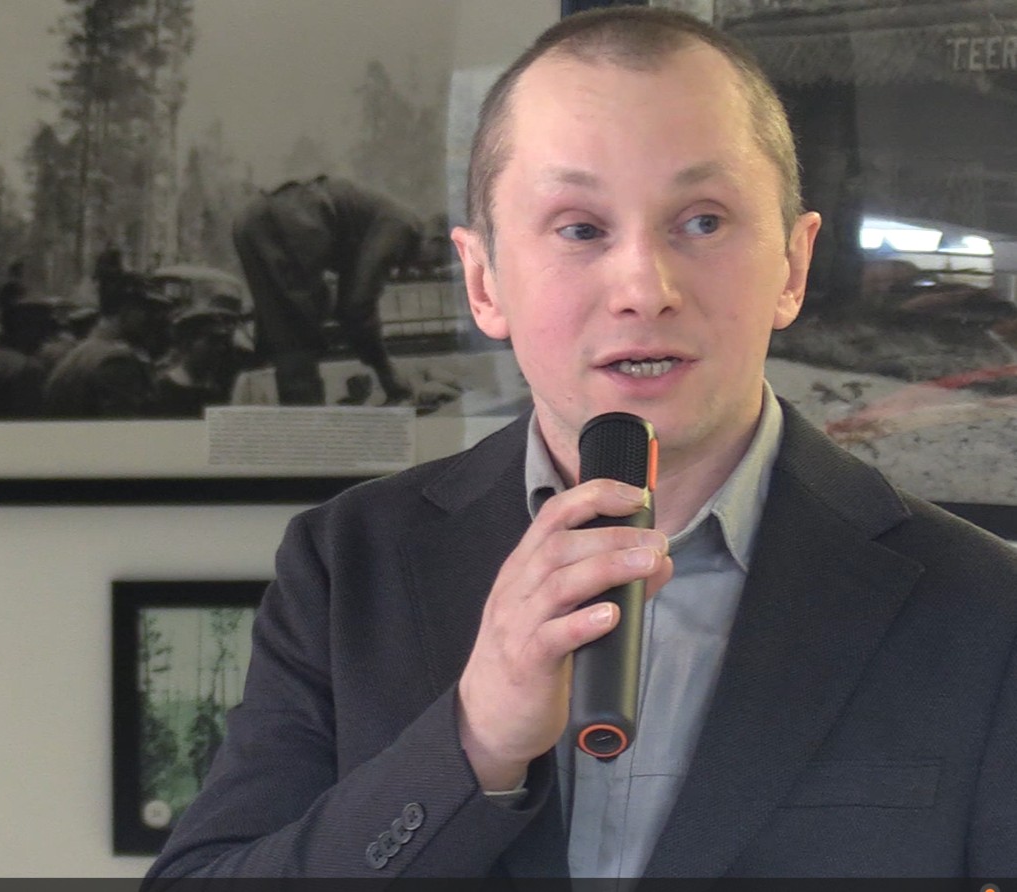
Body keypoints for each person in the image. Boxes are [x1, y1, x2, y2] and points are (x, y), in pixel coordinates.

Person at [145, 8, 1017, 880]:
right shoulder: (347, 564)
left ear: (791, 265)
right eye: (579, 228)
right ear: (484, 282)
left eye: (703, 221)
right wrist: (472, 741)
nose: (643, 288)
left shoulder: (984, 605)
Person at [231, 174, 420, 406]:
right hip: (291, 216)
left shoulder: (373, 220)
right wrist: (386, 371)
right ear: (437, 241)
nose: (409, 273)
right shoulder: (403, 224)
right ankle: (307, 415)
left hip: (249, 219)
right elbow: (357, 305)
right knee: (296, 333)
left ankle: (302, 413)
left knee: (285, 332)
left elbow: (348, 303)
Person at [43, 271, 172, 418]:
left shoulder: (79, 353)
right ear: (126, 309)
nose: (150, 320)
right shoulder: (117, 361)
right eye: (146, 311)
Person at [151, 296, 242, 418]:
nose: (221, 348)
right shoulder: (161, 392)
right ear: (187, 343)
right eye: (212, 341)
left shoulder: (218, 391)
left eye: (222, 341)